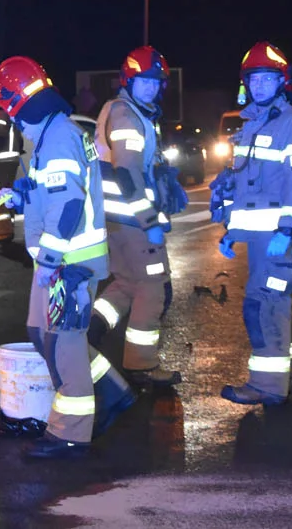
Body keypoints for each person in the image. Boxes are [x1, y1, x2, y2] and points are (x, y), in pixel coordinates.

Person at [0, 55, 135, 459]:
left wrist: (51, 259)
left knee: (64, 345)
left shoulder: (57, 138)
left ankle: (70, 434)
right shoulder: (53, 134)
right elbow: (55, 193)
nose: (9, 119)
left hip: (69, 265)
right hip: (58, 263)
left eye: (7, 109)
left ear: (18, 103)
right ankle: (111, 392)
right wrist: (20, 195)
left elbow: (69, 204)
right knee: (42, 334)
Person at [212, 41, 292, 410]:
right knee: (283, 303)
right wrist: (233, 231)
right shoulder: (251, 125)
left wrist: (288, 229)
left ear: (282, 82)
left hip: (281, 237)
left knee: (263, 305)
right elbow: (245, 187)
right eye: (255, 78)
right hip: (262, 238)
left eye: (268, 78)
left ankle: (268, 386)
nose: (260, 85)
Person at [88, 45, 181, 388]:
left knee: (127, 283)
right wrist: (150, 222)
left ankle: (89, 334)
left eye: (156, 81)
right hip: (132, 220)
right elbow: (126, 172)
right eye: (144, 80)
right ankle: (142, 366)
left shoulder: (127, 110)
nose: (151, 87)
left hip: (117, 219)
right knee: (154, 288)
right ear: (129, 81)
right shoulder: (127, 115)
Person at [0, 107, 24, 243]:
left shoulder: (1, 115)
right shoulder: (12, 114)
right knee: (7, 193)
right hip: (12, 160)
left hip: (2, 161)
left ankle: (4, 231)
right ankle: (9, 227)